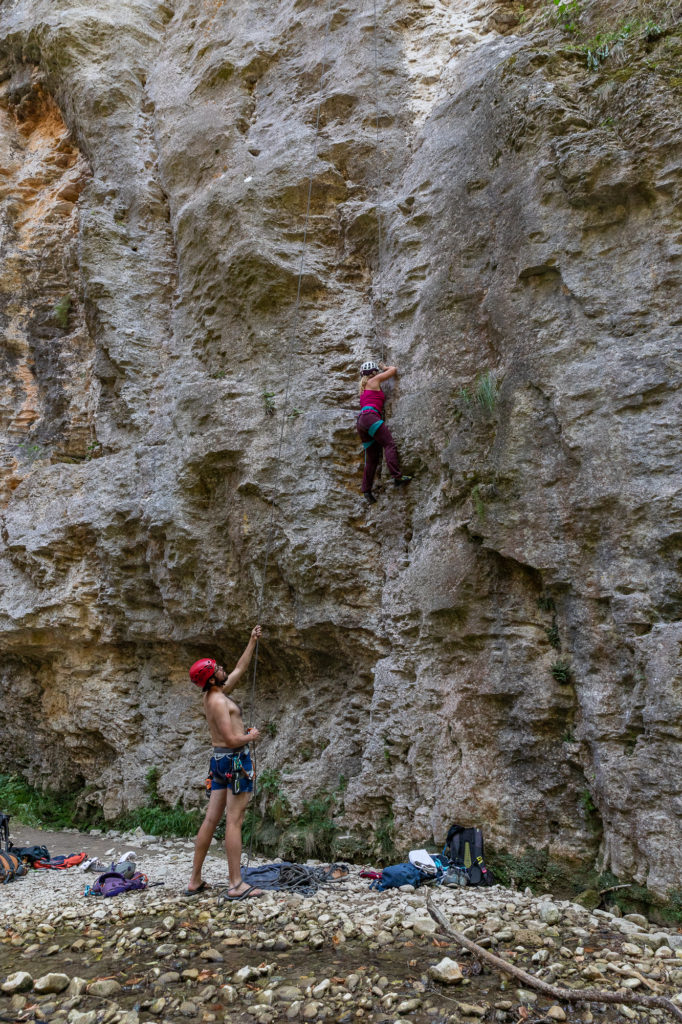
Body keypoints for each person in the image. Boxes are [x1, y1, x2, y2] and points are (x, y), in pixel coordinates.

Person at [186, 626, 263, 900]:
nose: (223, 669)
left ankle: (194, 880)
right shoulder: (218, 701)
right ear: (210, 678)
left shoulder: (213, 694)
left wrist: (252, 640)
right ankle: (235, 884)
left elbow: (239, 671)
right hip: (233, 760)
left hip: (218, 763)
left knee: (211, 819)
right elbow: (232, 739)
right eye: (217, 668)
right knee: (234, 821)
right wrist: (250, 736)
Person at [356, 360, 411, 503]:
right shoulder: (374, 380)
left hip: (361, 421)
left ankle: (366, 490)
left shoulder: (362, 388)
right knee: (389, 444)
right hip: (370, 417)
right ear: (374, 372)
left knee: (372, 458)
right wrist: (385, 367)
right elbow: (393, 370)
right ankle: (396, 476)